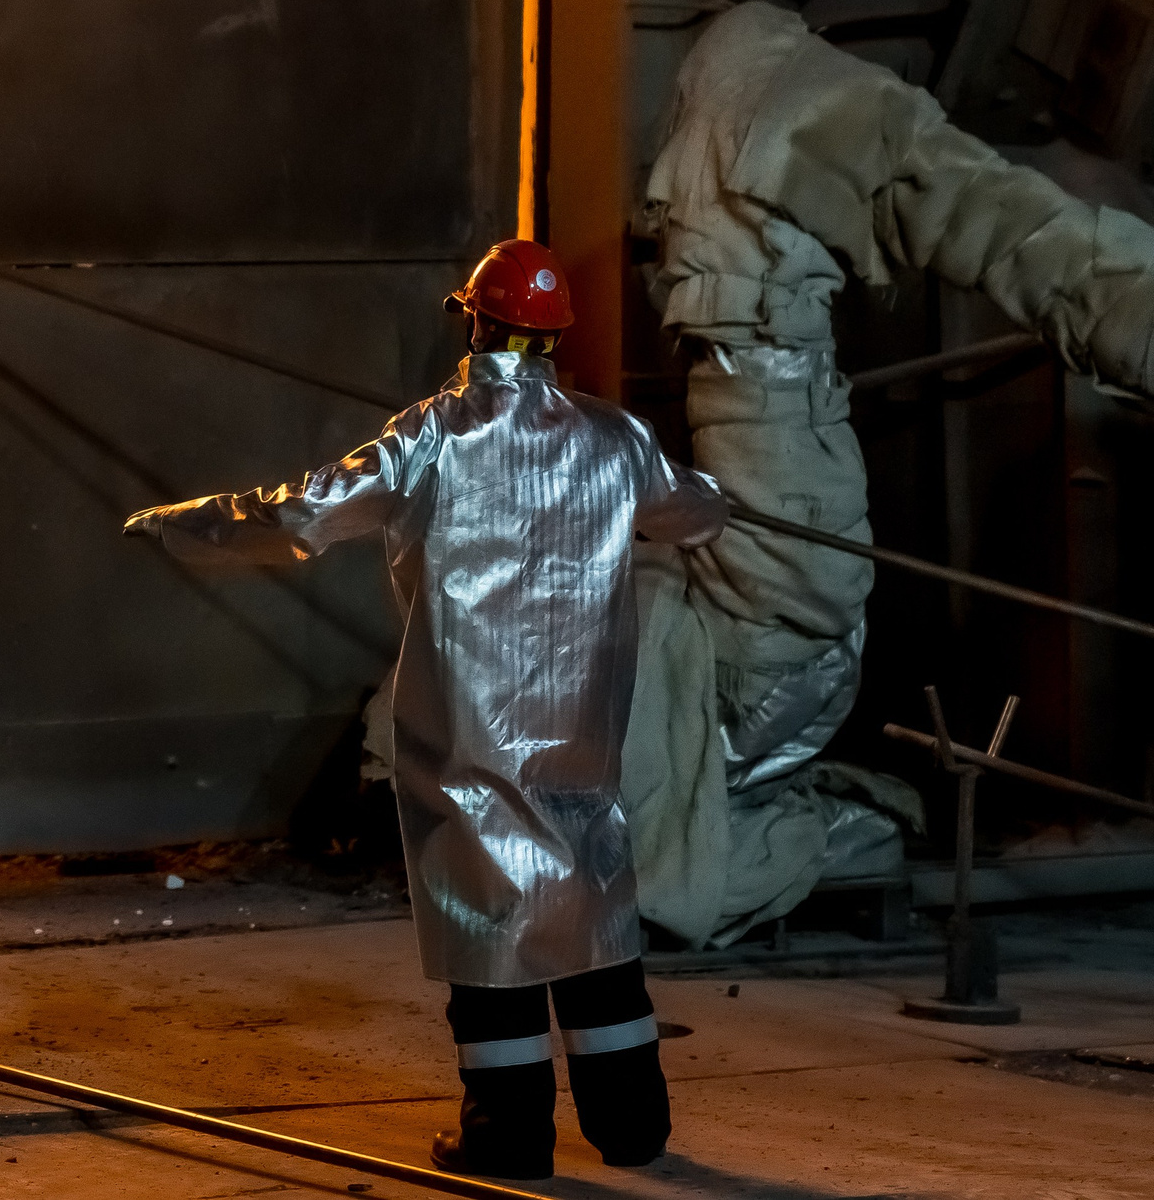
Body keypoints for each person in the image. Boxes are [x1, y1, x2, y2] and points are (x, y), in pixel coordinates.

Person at [122, 239, 726, 1178]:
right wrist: (711, 495)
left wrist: (180, 526)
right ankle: (633, 1127)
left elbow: (299, 514)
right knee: (592, 915)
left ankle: (508, 1138)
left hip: (470, 739)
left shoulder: (429, 438)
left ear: (476, 321)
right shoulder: (616, 439)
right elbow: (695, 512)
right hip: (581, 735)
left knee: (491, 931)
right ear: (555, 336)